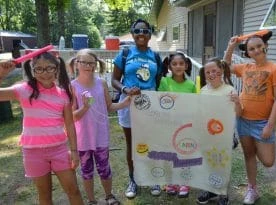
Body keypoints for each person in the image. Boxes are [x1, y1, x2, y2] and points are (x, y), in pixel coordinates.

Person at [0, 53, 84, 205]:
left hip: (59, 149)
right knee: (44, 196)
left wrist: (74, 151)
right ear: (32, 71)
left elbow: (69, 124)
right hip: (33, 152)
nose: (44, 73)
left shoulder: (64, 94)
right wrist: (2, 73)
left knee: (73, 190)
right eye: (38, 69)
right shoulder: (25, 90)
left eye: (49, 68)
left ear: (57, 69)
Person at [223, 30, 276, 204]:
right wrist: (230, 47)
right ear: (247, 52)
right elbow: (226, 66)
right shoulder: (245, 67)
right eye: (252, 49)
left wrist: (270, 126)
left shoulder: (275, 69)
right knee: (249, 155)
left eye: (259, 46)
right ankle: (252, 189)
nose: (256, 50)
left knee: (268, 161)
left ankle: (262, 145)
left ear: (266, 46)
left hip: (262, 123)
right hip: (243, 120)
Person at [68, 49, 131, 205]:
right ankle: (91, 200)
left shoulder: (102, 83)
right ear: (77, 64)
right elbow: (72, 116)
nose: (88, 66)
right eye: (84, 62)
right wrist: (85, 107)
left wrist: (124, 103)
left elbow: (109, 106)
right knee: (87, 172)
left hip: (101, 135)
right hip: (83, 139)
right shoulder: (72, 86)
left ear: (96, 65)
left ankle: (109, 196)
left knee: (104, 168)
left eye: (92, 63)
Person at [111, 18, 163, 198]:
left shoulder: (155, 56)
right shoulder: (125, 54)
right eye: (138, 31)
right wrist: (125, 89)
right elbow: (114, 80)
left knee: (150, 142)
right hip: (129, 104)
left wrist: (149, 91)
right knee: (132, 144)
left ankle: (151, 177)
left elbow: (157, 81)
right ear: (133, 34)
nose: (142, 34)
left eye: (145, 31)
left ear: (150, 35)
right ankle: (133, 179)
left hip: (150, 105)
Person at [196, 58, 242, 205]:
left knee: (222, 163)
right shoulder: (203, 91)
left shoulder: (229, 90)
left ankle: (223, 192)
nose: (211, 74)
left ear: (221, 71)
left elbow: (239, 114)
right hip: (206, 135)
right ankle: (209, 189)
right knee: (208, 163)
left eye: (214, 71)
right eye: (207, 72)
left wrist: (237, 102)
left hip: (225, 135)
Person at [158, 52, 195, 197]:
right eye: (174, 64)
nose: (178, 66)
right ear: (169, 66)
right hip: (168, 124)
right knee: (170, 154)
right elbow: (160, 101)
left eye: (181, 64)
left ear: (186, 65)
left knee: (185, 153)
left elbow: (195, 105)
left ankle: (184, 183)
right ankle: (171, 182)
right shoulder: (164, 82)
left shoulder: (191, 84)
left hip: (185, 125)